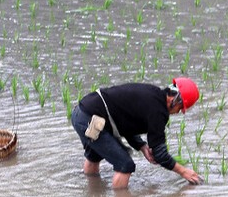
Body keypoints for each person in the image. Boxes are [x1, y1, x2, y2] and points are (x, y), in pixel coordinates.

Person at [71, 77, 203, 189]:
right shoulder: (158, 111)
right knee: (125, 164)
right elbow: (160, 154)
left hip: (82, 113)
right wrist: (184, 172)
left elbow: (126, 122)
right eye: (181, 108)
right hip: (91, 119)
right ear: (175, 100)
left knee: (95, 155)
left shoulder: (153, 95)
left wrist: (142, 146)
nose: (179, 112)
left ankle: (93, 195)